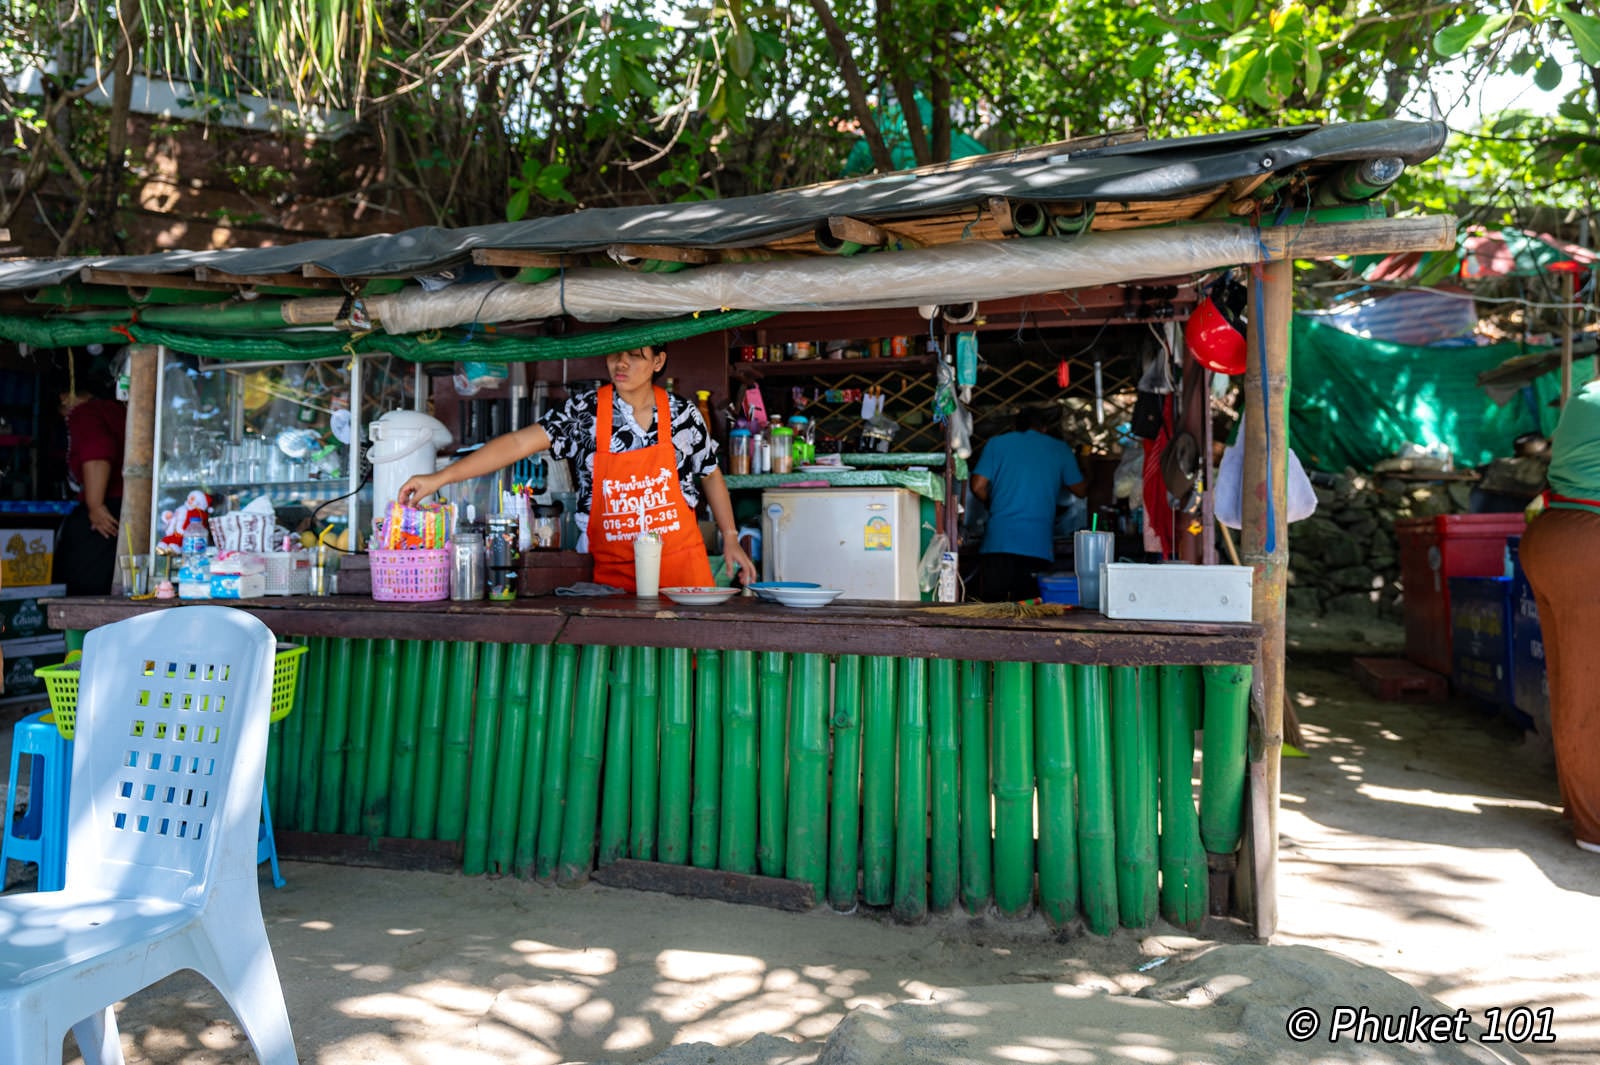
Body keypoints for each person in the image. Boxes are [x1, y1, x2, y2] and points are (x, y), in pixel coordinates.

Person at [398, 346, 754, 593]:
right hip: (612, 568)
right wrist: (441, 476)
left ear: (658, 361)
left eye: (635, 355)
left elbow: (710, 473)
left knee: (683, 668)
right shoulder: (584, 412)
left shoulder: (683, 414)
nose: (621, 363)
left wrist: (731, 538)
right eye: (615, 354)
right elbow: (518, 444)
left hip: (679, 566)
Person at [1519, 377, 1600, 854]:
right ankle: (1594, 826)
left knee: (1576, 685)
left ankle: (1583, 808)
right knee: (1589, 689)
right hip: (1587, 542)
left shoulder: (1589, 392)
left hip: (1558, 537)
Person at [968, 405, 1086, 601]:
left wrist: (993, 503)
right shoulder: (1059, 449)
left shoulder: (997, 444)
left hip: (998, 541)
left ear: (1015, 426)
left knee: (991, 611)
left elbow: (977, 485)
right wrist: (1088, 466)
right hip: (1036, 544)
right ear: (1045, 428)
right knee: (1030, 612)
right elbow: (1081, 490)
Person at [52, 356, 127, 596]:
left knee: (87, 589)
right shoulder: (117, 410)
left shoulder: (85, 413)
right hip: (124, 511)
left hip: (103, 515)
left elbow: (98, 450)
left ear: (65, 397)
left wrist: (95, 505)